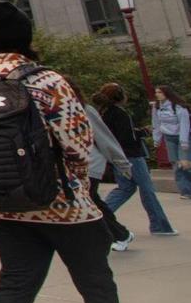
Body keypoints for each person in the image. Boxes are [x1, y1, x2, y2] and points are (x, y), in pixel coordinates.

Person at [0, 2, 124, 303]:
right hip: (64, 207)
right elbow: (79, 147)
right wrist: (73, 185)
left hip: (4, 207)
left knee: (14, 287)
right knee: (98, 289)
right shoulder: (48, 81)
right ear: (27, 37)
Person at [98, 83, 176, 235]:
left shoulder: (105, 113)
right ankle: (159, 225)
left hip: (118, 156)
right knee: (147, 190)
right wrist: (143, 132)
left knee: (125, 188)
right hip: (132, 156)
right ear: (121, 96)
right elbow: (127, 137)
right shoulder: (121, 113)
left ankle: (101, 217)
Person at [72, 79, 134, 251]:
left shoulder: (85, 110)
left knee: (89, 200)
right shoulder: (53, 111)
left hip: (90, 164)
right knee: (91, 201)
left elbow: (105, 139)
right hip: (72, 166)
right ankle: (119, 234)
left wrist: (122, 164)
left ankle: (119, 235)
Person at [151, 85, 191, 200]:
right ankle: (186, 191)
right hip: (168, 137)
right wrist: (157, 139)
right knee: (176, 164)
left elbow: (185, 124)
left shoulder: (178, 107)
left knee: (185, 164)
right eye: (156, 92)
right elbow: (156, 123)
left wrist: (184, 142)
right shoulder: (157, 107)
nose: (157, 94)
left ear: (167, 93)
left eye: (160, 92)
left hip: (182, 137)